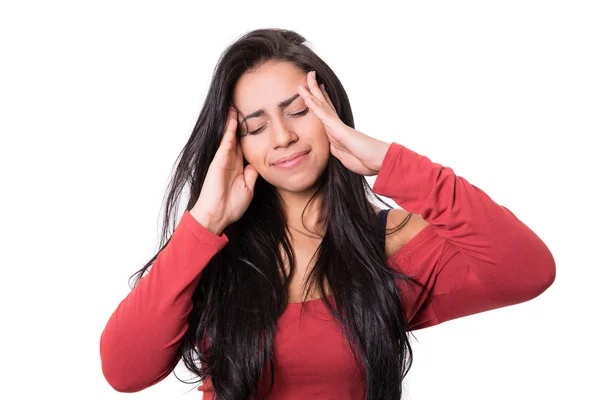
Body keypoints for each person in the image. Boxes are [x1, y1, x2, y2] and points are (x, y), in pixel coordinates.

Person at [99, 28, 556, 400]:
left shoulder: (392, 247)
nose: (281, 137)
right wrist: (202, 224)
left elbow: (528, 271)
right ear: (236, 147)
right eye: (255, 126)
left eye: (298, 111)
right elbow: (124, 371)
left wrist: (388, 162)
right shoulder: (209, 254)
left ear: (329, 111)